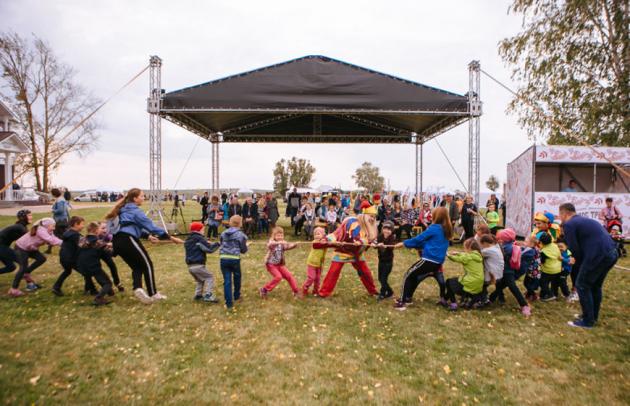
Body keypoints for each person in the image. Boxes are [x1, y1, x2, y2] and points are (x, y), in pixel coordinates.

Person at [107, 188, 183, 304]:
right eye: (142, 196)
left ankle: (138, 288)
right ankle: (153, 294)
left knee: (137, 266)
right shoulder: (135, 211)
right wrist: (171, 238)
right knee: (147, 264)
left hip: (118, 241)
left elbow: (130, 225)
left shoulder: (124, 209)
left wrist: (147, 236)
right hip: (128, 240)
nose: (144, 198)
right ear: (134, 198)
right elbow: (151, 227)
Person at [559, 203, 618, 329]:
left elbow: (574, 248)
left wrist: (579, 265)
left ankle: (587, 321)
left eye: (560, 215)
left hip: (597, 255)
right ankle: (592, 316)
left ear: (565, 213)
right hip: (611, 252)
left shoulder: (569, 224)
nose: (560, 218)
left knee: (582, 285)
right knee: (595, 285)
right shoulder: (584, 221)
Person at [393, 207, 451, 310]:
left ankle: (402, 302)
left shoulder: (435, 228)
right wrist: (415, 245)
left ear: (436, 216)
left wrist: (403, 243)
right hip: (438, 262)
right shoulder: (446, 229)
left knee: (408, 275)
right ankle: (408, 298)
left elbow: (419, 239)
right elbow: (430, 242)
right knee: (413, 275)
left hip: (430, 260)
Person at [318, 206, 379, 298]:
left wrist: (370, 243)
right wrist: (326, 239)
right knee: (333, 272)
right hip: (342, 252)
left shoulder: (371, 228)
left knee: (365, 272)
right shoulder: (351, 222)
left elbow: (370, 239)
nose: (372, 219)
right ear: (364, 216)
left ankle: (373, 291)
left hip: (357, 254)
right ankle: (324, 292)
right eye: (370, 216)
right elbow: (338, 233)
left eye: (374, 217)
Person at [10, 218, 62, 297]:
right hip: (21, 248)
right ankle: (14, 289)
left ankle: (26, 273)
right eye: (53, 226)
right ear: (47, 225)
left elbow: (54, 238)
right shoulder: (41, 230)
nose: (54, 228)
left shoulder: (49, 231)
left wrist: (63, 243)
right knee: (23, 267)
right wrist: (64, 243)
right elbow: (50, 240)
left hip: (30, 248)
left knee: (41, 258)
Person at [488, 228, 532, 317]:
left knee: (512, 287)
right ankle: (490, 299)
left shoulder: (506, 247)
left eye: (500, 238)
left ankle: (524, 305)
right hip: (507, 271)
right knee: (500, 286)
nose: (499, 239)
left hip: (507, 272)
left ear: (505, 239)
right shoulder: (510, 245)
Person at [76, 222, 118, 306]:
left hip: (81, 265)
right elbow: (111, 253)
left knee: (101, 279)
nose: (101, 230)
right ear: (95, 230)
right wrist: (114, 248)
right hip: (93, 266)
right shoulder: (98, 242)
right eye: (99, 228)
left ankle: (110, 292)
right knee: (108, 283)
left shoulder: (82, 240)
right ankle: (98, 298)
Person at [52, 216, 95, 296]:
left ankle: (56, 287)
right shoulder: (75, 235)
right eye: (82, 224)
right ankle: (91, 290)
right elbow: (85, 244)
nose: (83, 226)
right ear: (76, 224)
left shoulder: (68, 233)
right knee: (87, 272)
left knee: (67, 271)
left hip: (64, 257)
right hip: (71, 259)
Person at [444, 238, 484, 311]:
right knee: (454, 282)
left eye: (464, 248)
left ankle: (453, 304)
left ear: (469, 248)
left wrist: (447, 254)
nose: (464, 249)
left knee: (449, 282)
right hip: (479, 283)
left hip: (471, 281)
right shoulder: (478, 255)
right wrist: (458, 253)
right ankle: (444, 299)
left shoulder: (468, 257)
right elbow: (466, 255)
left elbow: (456, 259)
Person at [184, 221, 220, 303]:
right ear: (198, 230)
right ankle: (208, 295)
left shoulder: (188, 240)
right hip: (198, 265)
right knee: (209, 277)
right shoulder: (199, 238)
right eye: (203, 229)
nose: (204, 231)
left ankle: (198, 295)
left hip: (190, 266)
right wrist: (217, 244)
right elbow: (209, 249)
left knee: (200, 280)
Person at [259, 227, 299, 298]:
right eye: (278, 236)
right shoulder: (272, 242)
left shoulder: (282, 243)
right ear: (274, 236)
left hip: (279, 265)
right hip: (271, 265)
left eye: (281, 235)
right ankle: (264, 289)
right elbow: (270, 244)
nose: (280, 237)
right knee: (278, 277)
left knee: (289, 276)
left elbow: (288, 247)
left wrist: (294, 244)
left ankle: (296, 291)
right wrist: (279, 242)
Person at [219, 215, 248, 309]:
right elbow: (243, 250)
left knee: (227, 280)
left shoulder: (223, 233)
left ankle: (228, 303)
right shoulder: (241, 235)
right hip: (234, 258)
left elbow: (221, 243)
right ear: (240, 223)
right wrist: (246, 246)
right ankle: (236, 295)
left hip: (223, 258)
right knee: (237, 277)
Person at [0, 209, 31, 277]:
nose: (31, 217)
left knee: (11, 267)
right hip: (1, 247)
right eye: (29, 215)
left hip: (3, 247)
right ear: (23, 217)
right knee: (22, 261)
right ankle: (30, 284)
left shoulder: (21, 226)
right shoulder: (20, 228)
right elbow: (29, 241)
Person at [537, 232, 563, 302]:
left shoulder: (544, 251)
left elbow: (542, 262)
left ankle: (549, 294)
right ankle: (554, 294)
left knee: (543, 283)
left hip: (548, 270)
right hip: (558, 269)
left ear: (541, 242)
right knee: (555, 283)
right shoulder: (555, 246)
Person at [479, 234, 504, 306]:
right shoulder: (496, 247)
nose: (482, 246)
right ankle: (488, 298)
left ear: (485, 243)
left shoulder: (488, 250)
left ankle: (484, 300)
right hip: (499, 274)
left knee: (480, 285)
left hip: (493, 275)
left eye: (482, 244)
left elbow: (476, 255)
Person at [302, 227, 328, 296]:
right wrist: (324, 242)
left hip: (319, 264)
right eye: (315, 234)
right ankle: (305, 288)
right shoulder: (315, 242)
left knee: (318, 279)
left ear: (323, 235)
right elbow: (317, 245)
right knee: (311, 278)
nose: (316, 236)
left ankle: (315, 291)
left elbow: (329, 244)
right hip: (311, 263)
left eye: (318, 234)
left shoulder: (325, 242)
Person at [375, 221, 397, 301]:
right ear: (382, 229)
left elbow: (391, 247)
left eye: (389, 229)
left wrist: (383, 245)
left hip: (388, 262)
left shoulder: (392, 237)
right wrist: (376, 244)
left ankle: (382, 293)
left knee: (383, 278)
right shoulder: (380, 236)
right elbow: (375, 243)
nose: (386, 231)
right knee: (380, 278)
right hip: (381, 261)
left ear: (391, 231)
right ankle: (390, 292)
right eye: (385, 228)